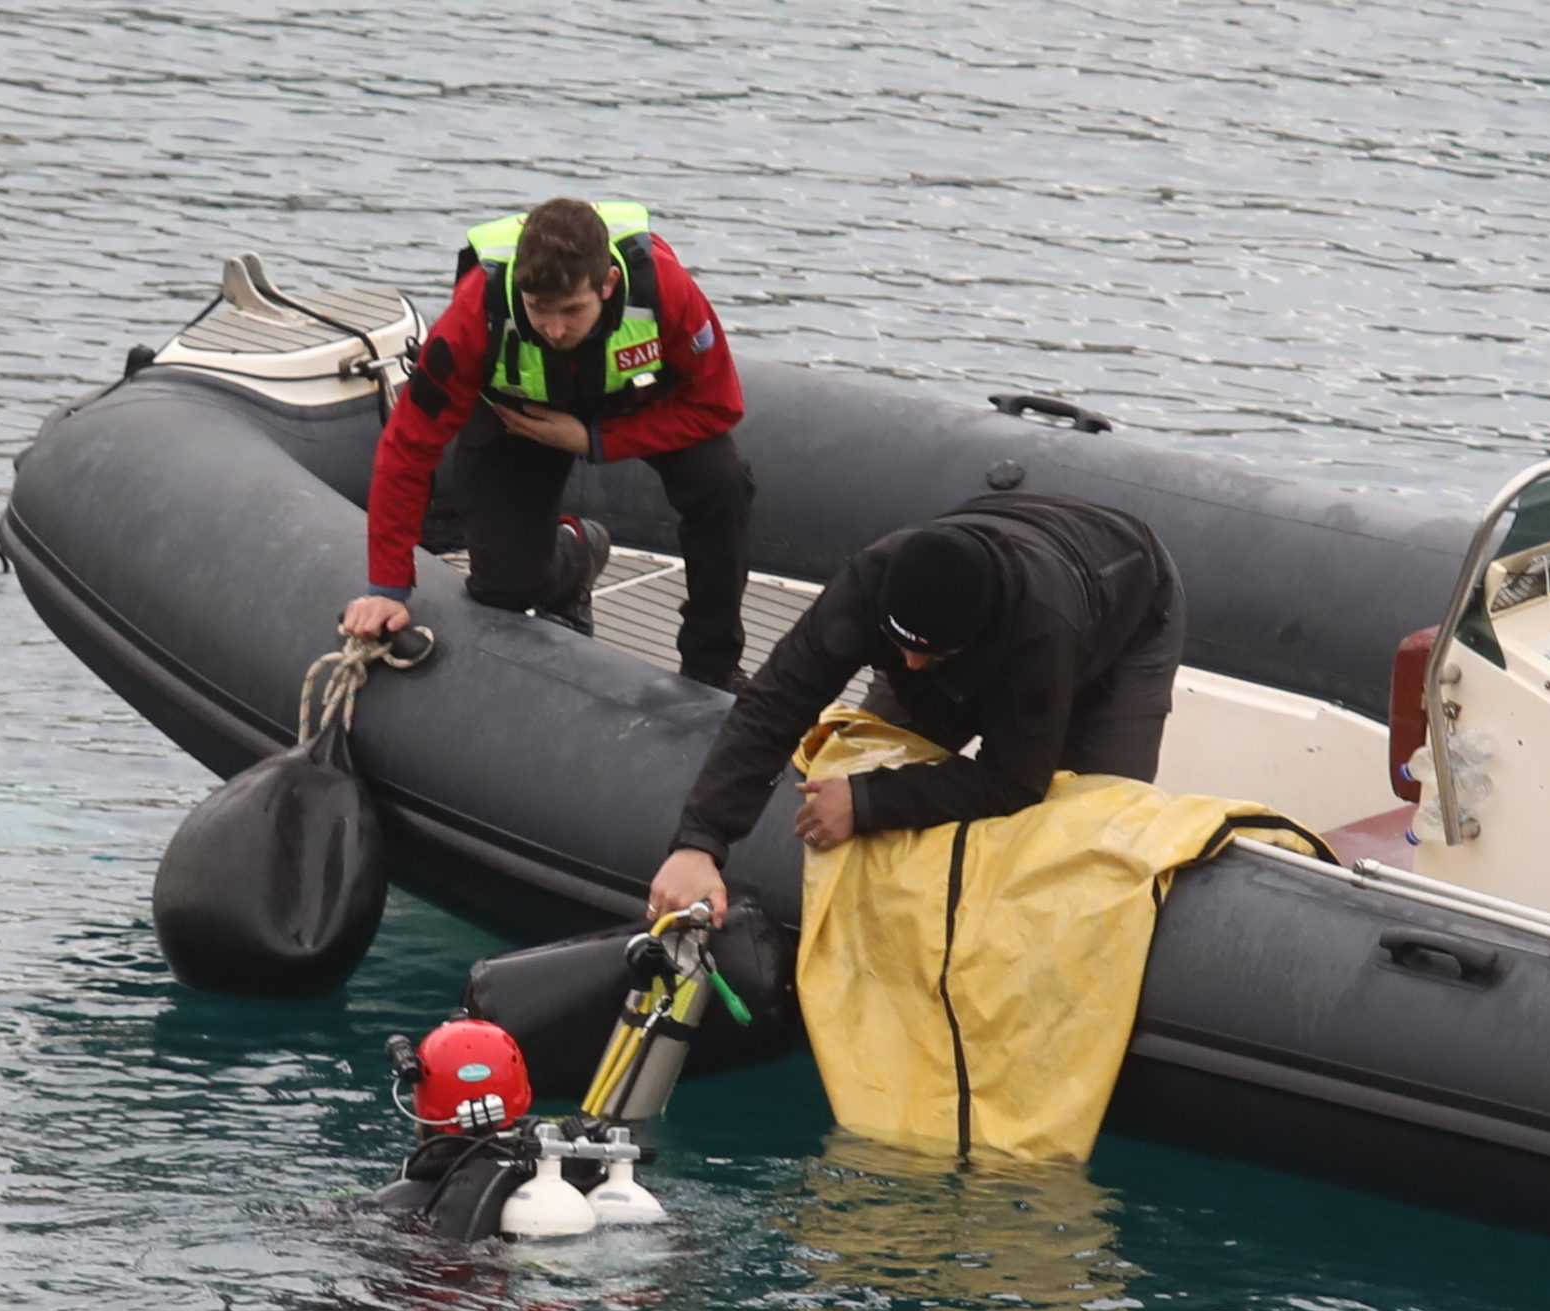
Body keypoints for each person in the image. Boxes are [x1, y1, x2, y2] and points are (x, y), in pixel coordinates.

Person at [648, 492, 1185, 920]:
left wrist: (867, 802)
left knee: (1085, 824)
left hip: (1127, 611)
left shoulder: (1041, 633)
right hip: (998, 559)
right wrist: (701, 841)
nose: (909, 666)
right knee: (879, 748)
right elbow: (775, 703)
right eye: (898, 645)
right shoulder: (868, 584)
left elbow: (1014, 783)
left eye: (930, 655)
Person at [339, 198, 755, 690]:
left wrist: (595, 439)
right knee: (502, 586)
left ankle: (712, 662)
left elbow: (719, 404)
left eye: (572, 310)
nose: (554, 330)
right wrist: (388, 586)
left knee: (724, 483)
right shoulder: (475, 312)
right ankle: (577, 551)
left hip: (632, 402)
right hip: (518, 416)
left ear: (608, 285)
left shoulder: (665, 290)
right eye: (539, 310)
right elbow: (408, 445)